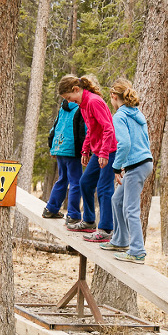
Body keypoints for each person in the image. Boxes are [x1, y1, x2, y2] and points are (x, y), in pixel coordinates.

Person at [58, 74, 117, 242]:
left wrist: (105, 153)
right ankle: (89, 221)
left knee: (104, 188)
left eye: (69, 98)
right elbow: (91, 130)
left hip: (109, 150)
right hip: (98, 150)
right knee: (85, 183)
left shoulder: (93, 102)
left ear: (76, 89)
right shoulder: (83, 105)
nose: (70, 102)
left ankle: (106, 229)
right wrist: (85, 150)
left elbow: (108, 129)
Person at [99, 78, 153, 264]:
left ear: (114, 96)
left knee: (131, 209)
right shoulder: (137, 113)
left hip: (137, 165)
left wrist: (116, 167)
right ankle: (121, 240)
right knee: (117, 199)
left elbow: (125, 144)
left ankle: (137, 250)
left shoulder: (120, 116)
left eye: (110, 98)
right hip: (144, 162)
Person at [42, 98, 86, 226]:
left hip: (59, 148)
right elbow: (83, 130)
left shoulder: (62, 108)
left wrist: (52, 146)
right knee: (75, 182)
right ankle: (73, 214)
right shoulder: (80, 108)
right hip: (72, 150)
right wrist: (85, 150)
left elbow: (53, 128)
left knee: (62, 178)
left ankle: (51, 208)